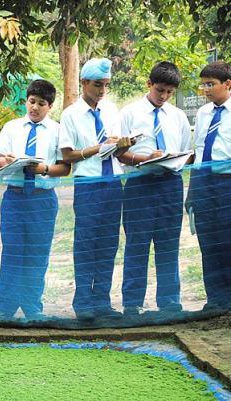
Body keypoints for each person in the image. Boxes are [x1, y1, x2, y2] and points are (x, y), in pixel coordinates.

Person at [59, 58, 131, 320]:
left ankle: (102, 300)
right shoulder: (70, 114)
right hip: (88, 184)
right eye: (97, 85)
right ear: (84, 83)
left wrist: (122, 144)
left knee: (109, 243)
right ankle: (83, 302)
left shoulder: (111, 110)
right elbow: (67, 156)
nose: (102, 91)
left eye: (106, 85)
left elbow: (119, 151)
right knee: (86, 243)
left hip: (113, 183)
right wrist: (96, 149)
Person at [117, 62, 191, 315]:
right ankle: (132, 304)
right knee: (137, 243)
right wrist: (144, 158)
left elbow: (185, 151)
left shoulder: (178, 116)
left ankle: (170, 302)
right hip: (140, 184)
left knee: (168, 243)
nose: (164, 97)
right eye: (160, 90)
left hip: (170, 184)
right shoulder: (129, 114)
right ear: (148, 84)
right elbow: (119, 153)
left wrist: (173, 158)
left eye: (169, 92)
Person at [0, 79, 70, 320]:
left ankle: (32, 305)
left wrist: (43, 169)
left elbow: (64, 167)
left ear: (50, 106)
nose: (35, 107)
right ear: (26, 101)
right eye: (31, 102)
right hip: (15, 198)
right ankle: (5, 306)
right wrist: (9, 162)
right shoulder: (12, 127)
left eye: (41, 103)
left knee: (37, 253)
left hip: (42, 199)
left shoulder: (58, 130)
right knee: (12, 251)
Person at [188, 60, 231, 311]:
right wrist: (193, 190)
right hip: (204, 183)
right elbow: (199, 151)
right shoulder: (204, 114)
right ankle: (215, 300)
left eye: (211, 84)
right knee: (208, 240)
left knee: (227, 240)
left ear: (227, 84)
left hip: (227, 182)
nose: (206, 89)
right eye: (203, 84)